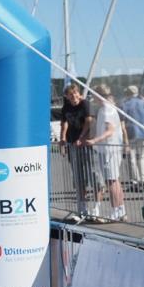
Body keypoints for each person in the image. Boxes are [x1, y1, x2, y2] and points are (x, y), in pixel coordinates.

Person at [85, 84, 126, 221]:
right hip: (108, 149)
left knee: (112, 181)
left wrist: (94, 140)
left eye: (94, 94)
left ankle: (116, 211)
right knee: (115, 180)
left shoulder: (107, 109)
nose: (93, 98)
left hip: (109, 150)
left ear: (99, 95)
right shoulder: (106, 108)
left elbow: (110, 130)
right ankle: (121, 210)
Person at [59, 84, 91, 217]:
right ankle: (82, 209)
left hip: (86, 144)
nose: (74, 96)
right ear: (67, 96)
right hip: (73, 144)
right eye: (71, 95)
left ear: (79, 93)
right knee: (78, 177)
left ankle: (95, 209)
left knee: (92, 176)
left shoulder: (85, 104)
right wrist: (62, 138)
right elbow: (64, 122)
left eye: (75, 93)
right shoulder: (65, 107)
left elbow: (89, 122)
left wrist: (82, 137)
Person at [121, 85, 144, 191]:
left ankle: (135, 182)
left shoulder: (125, 104)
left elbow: (122, 120)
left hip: (130, 133)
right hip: (143, 133)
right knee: (141, 157)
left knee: (131, 158)